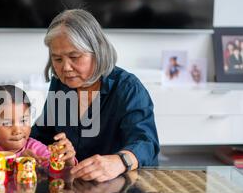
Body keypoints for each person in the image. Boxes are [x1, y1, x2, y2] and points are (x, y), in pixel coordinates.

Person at [31, 9, 159, 183]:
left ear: (97, 52)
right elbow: (43, 135)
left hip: (119, 189)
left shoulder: (128, 88)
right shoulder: (60, 85)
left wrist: (120, 161)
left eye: (74, 56)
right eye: (58, 59)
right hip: (72, 187)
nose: (66, 68)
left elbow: (146, 143)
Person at [0, 84, 77, 167]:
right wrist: (19, 162)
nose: (17, 130)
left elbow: (54, 167)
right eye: (7, 123)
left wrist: (67, 161)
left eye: (23, 121)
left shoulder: (35, 147)